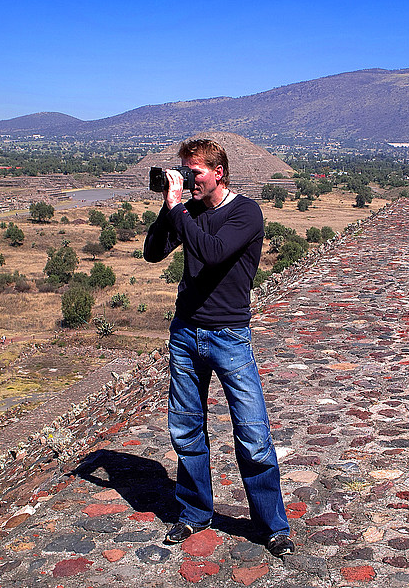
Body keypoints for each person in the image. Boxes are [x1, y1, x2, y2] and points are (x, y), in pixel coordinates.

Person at [143, 138, 294, 558]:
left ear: (218, 172)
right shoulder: (187, 210)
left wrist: (178, 210)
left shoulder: (245, 212)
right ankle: (193, 512)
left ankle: (272, 525)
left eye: (195, 171)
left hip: (228, 336)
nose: (189, 179)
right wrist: (168, 208)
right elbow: (152, 252)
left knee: (252, 433)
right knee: (186, 429)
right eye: (184, 171)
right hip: (186, 333)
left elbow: (211, 254)